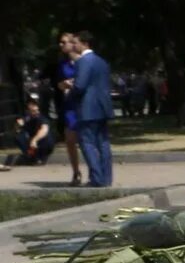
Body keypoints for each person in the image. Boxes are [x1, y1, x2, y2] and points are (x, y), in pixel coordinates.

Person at [63, 32, 114, 187]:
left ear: (85, 43)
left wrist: (69, 93)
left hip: (87, 108)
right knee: (103, 143)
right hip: (102, 107)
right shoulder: (101, 61)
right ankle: (106, 177)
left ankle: (97, 179)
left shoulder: (83, 61)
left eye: (76, 42)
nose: (73, 46)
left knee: (88, 143)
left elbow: (80, 86)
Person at [52, 49, 81, 185]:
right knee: (70, 139)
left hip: (83, 104)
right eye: (61, 42)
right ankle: (76, 172)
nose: (61, 45)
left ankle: (95, 171)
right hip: (70, 105)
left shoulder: (83, 61)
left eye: (65, 42)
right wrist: (64, 84)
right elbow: (58, 84)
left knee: (87, 140)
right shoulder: (63, 64)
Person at [9, 99, 53, 167]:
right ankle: (31, 156)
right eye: (33, 111)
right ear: (28, 111)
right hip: (33, 146)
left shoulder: (42, 118)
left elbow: (44, 130)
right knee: (19, 135)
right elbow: (16, 128)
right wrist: (17, 125)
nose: (36, 112)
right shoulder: (27, 118)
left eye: (37, 110)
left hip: (43, 143)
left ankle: (40, 157)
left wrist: (34, 140)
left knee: (46, 137)